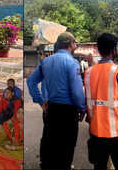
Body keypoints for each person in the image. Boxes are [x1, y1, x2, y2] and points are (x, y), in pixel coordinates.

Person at [27, 32, 86, 169]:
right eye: (75, 42)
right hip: (68, 112)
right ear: (70, 44)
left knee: (49, 142)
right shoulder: (72, 63)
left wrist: (41, 101)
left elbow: (31, 81)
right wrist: (82, 109)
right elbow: (77, 93)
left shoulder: (46, 61)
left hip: (51, 108)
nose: (76, 45)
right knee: (66, 147)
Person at [84, 33, 118, 170]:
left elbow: (88, 102)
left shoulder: (88, 73)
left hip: (96, 133)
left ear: (98, 50)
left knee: (99, 166)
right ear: (114, 50)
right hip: (117, 134)